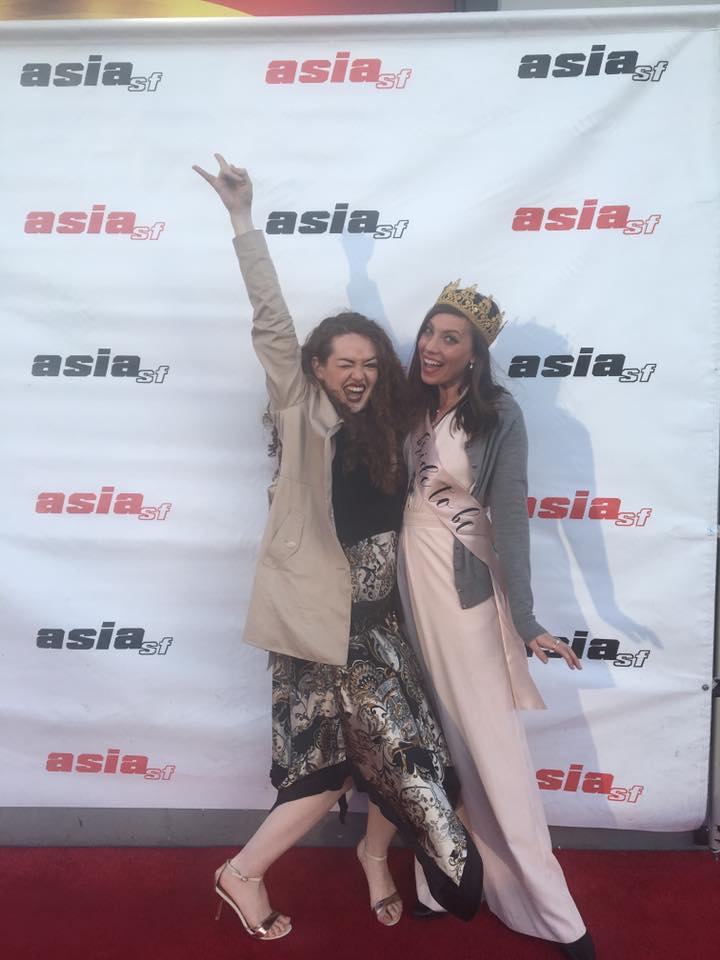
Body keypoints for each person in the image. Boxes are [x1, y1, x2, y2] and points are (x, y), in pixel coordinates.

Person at [192, 156, 482, 941]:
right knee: (326, 770)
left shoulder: (392, 425)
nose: (356, 373)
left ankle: (375, 859)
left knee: (407, 758)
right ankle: (241, 873)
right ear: (316, 370)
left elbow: (449, 370)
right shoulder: (299, 408)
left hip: (383, 622)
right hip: (322, 624)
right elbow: (272, 319)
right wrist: (243, 221)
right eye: (341, 362)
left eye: (367, 363)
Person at [397, 280, 596, 960]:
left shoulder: (499, 415)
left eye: (450, 339)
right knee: (436, 747)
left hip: (465, 595)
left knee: (494, 751)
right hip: (409, 594)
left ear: (475, 355)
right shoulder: (410, 409)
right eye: (429, 332)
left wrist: (529, 617)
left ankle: (551, 909)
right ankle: (443, 884)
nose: (432, 346)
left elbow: (508, 515)